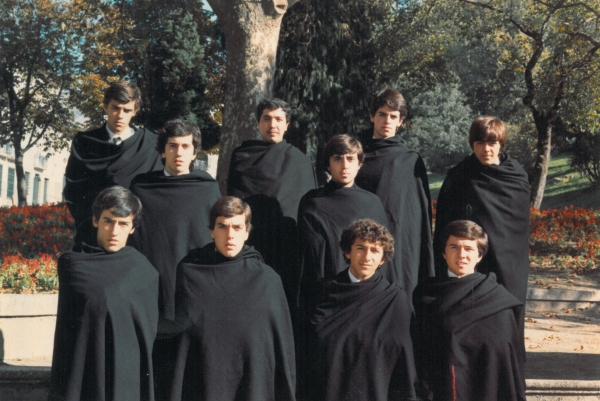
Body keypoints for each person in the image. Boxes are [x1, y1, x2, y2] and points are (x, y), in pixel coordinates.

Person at [167, 196, 296, 401]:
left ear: (247, 232)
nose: (230, 235)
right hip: (205, 379)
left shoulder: (266, 280)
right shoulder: (190, 272)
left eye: (237, 227)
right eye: (222, 226)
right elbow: (183, 341)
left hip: (252, 383)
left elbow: (280, 347)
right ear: (211, 231)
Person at [129, 119, 221, 401]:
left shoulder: (207, 189)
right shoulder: (142, 188)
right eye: (172, 146)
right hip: (152, 286)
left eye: (185, 146)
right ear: (162, 150)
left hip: (192, 288)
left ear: (195, 152)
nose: (178, 152)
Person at [48, 186, 159, 401]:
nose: (114, 231)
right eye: (108, 221)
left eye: (123, 223)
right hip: (83, 367)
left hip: (126, 370)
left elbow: (146, 331)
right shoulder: (73, 264)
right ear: (95, 220)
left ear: (133, 227)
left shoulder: (143, 270)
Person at [433, 116, 530, 335]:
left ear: (501, 144)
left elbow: (519, 227)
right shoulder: (460, 176)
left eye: (492, 143)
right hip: (470, 259)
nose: (486, 149)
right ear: (472, 144)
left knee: (508, 314)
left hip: (509, 261)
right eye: (480, 143)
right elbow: (446, 225)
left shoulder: (515, 177)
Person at [413, 220, 526, 401]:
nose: (461, 255)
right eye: (454, 247)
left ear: (479, 255)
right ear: (443, 253)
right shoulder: (426, 294)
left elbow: (505, 355)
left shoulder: (497, 298)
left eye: (469, 249)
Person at [306, 219, 418, 401]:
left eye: (375, 250)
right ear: (347, 251)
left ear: (383, 258)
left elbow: (403, 360)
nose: (367, 257)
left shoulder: (395, 299)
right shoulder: (323, 293)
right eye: (360, 248)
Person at [227, 98, 317, 299]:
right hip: (249, 241)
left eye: (278, 119)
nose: (272, 124)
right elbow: (233, 202)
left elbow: (307, 209)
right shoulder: (241, 157)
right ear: (258, 123)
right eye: (266, 118)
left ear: (287, 125)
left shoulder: (299, 161)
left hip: (286, 246)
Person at [355, 88, 434, 302]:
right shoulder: (353, 154)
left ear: (400, 121)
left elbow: (416, 218)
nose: (387, 121)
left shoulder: (409, 160)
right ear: (372, 116)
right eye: (382, 114)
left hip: (397, 243)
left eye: (393, 116)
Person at [64, 81, 163, 245]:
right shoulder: (84, 143)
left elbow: (157, 194)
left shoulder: (151, 145)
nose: (120, 115)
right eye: (115, 108)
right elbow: (73, 192)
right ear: (105, 106)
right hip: (94, 235)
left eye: (127, 110)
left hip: (138, 237)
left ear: (135, 111)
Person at [296, 134, 388, 311]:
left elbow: (381, 253)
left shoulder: (371, 203)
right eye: (337, 159)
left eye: (350, 159)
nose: (345, 165)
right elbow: (306, 257)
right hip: (323, 292)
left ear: (359, 164)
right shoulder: (312, 202)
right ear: (328, 165)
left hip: (362, 290)